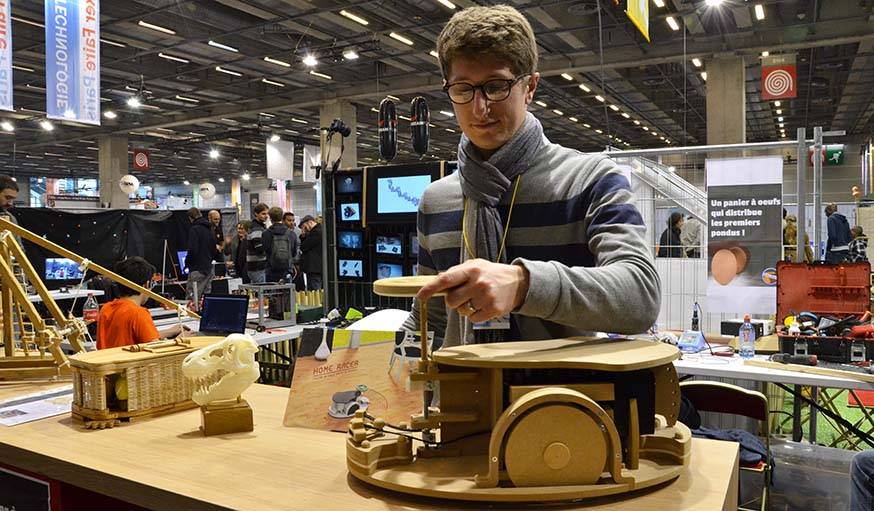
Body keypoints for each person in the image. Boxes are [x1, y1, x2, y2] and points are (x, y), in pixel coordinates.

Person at [401, 5, 659, 347]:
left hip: (556, 398)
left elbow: (640, 294)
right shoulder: (435, 201)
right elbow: (431, 317)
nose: (479, 108)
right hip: (460, 397)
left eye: (496, 87)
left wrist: (524, 285)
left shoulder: (589, 180)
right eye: (463, 89)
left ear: (530, 87)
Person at [96, 257, 186, 349]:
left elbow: (136, 337)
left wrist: (169, 331)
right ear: (147, 285)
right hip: (130, 362)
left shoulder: (106, 308)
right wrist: (180, 339)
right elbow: (157, 351)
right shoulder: (138, 313)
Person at [185, 207, 218, 303]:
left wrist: (187, 263)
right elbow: (214, 249)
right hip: (209, 268)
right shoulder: (211, 229)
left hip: (197, 269)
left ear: (190, 218)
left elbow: (192, 250)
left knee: (192, 300)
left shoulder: (194, 230)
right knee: (205, 299)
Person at [262, 206, 300, 282]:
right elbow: (294, 252)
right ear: (282, 217)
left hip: (271, 269)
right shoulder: (291, 234)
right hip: (287, 270)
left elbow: (265, 250)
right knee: (287, 292)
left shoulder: (266, 233)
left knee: (271, 292)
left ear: (270, 217)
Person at [298, 215, 323, 290]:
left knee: (314, 292)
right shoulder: (319, 230)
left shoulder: (316, 232)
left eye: (304, 227)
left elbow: (304, 247)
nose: (303, 229)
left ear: (309, 222)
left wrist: (303, 236)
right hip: (317, 267)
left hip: (314, 268)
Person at [247, 203, 269, 283]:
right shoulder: (256, 228)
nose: (266, 216)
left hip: (256, 266)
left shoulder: (260, 227)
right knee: (260, 293)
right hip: (257, 267)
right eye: (263, 214)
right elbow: (259, 248)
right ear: (256, 214)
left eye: (267, 214)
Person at [208, 210, 226, 277]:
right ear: (209, 218)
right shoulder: (206, 230)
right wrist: (214, 246)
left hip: (218, 257)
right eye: (215, 219)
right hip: (209, 257)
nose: (217, 221)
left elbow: (222, 240)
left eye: (219, 219)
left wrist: (222, 247)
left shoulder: (219, 229)